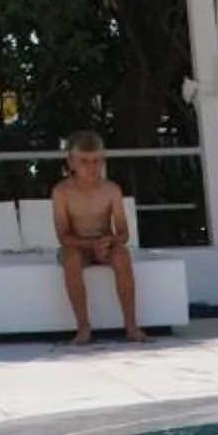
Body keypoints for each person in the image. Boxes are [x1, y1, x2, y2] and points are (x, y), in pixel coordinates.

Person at [50, 131, 145, 344]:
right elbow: (63, 237)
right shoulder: (62, 192)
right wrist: (90, 245)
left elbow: (123, 232)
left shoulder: (111, 190)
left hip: (105, 245)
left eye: (96, 161)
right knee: (71, 259)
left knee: (122, 256)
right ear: (71, 162)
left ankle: (131, 325)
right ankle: (83, 326)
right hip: (77, 247)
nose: (91, 167)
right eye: (84, 161)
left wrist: (109, 242)